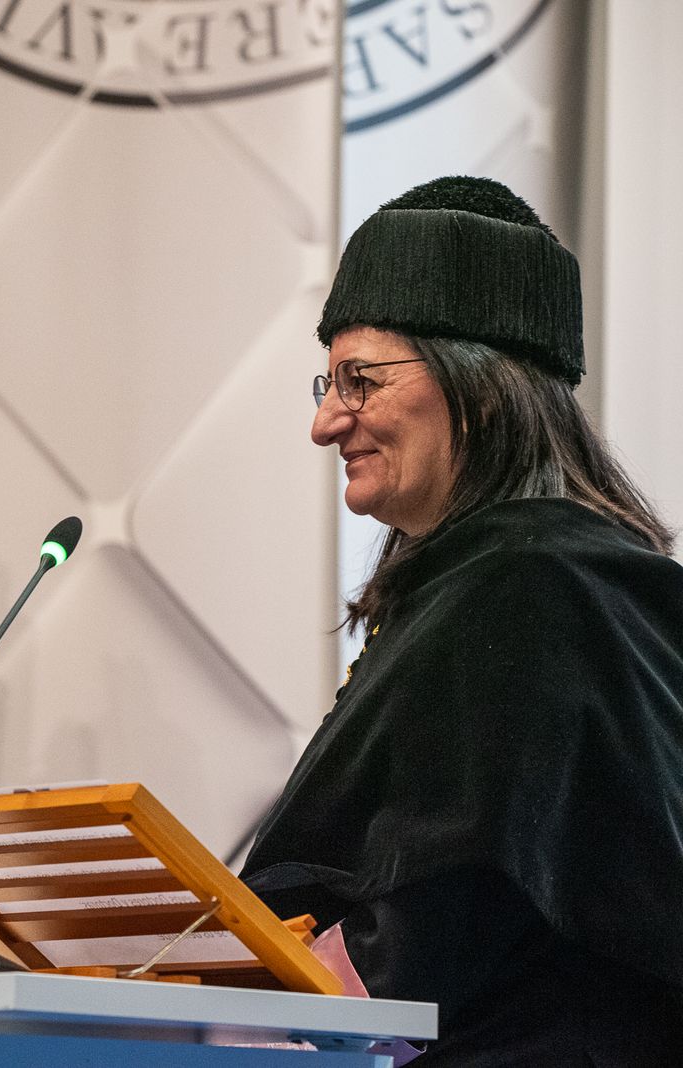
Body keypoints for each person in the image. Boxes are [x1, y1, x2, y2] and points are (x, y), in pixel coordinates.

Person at [240, 176, 683, 1063]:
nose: (327, 423)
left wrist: (241, 1011)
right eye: (326, 382)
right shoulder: (520, 582)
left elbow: (450, 907)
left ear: (478, 390)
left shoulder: (534, 587)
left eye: (359, 380)